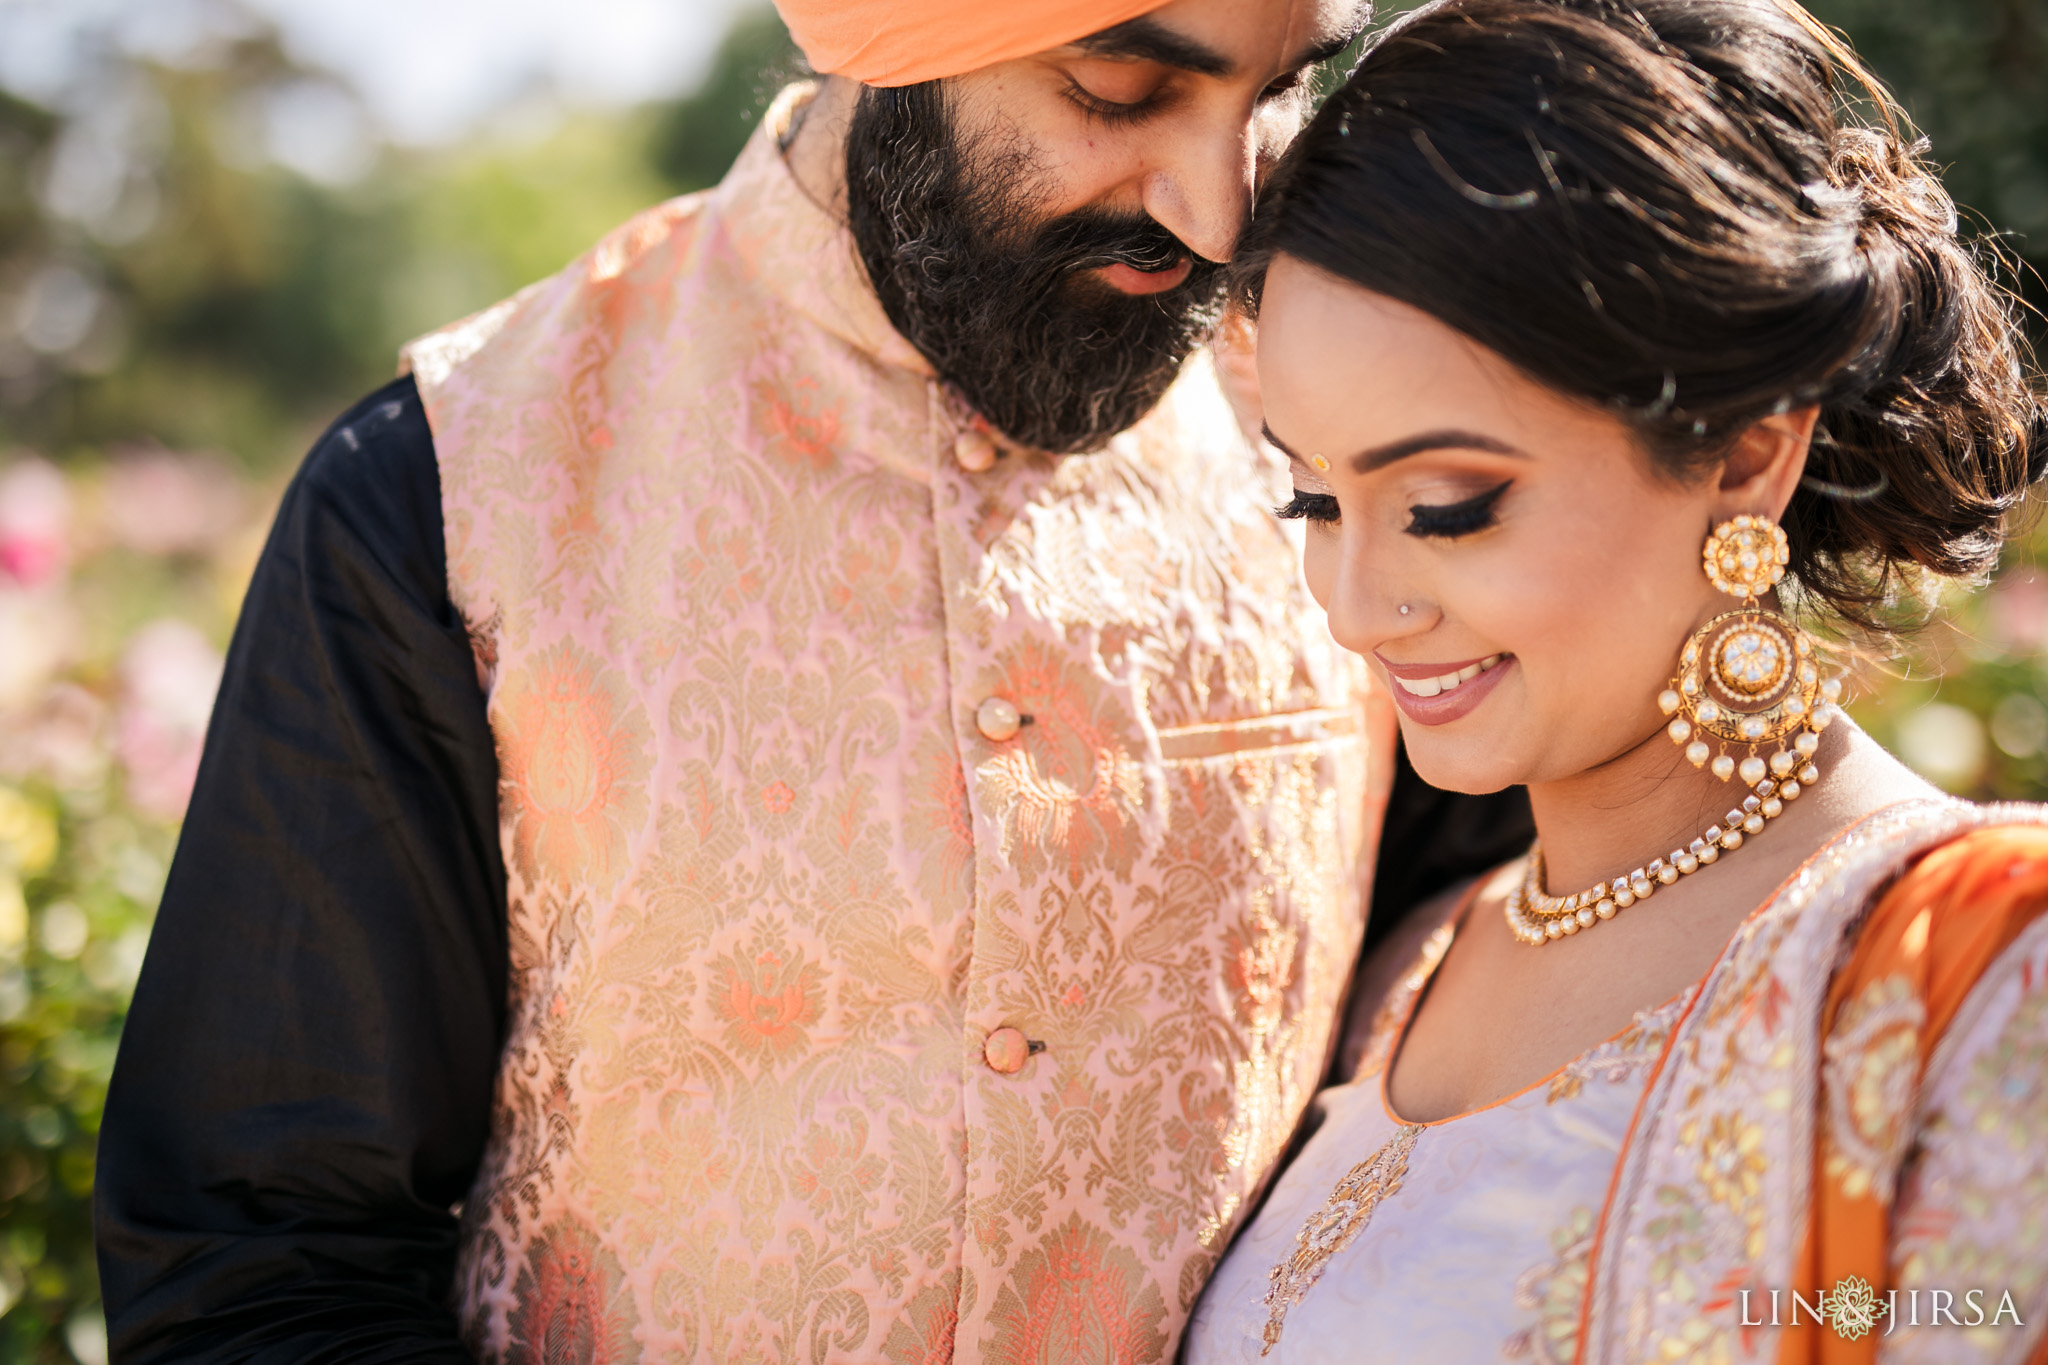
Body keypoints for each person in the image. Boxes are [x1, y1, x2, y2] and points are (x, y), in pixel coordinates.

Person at [92, 0, 1536, 1360]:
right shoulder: (450, 494)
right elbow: (259, 1259)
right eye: (1121, 90)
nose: (1218, 211)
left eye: (1277, 91)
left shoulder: (1342, 443)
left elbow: (1490, 958)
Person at [1183, 0, 2048, 1360]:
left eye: (1451, 507)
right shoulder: (1417, 962)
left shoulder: (1985, 969)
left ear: (1748, 455)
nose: (1355, 608)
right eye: (1315, 503)